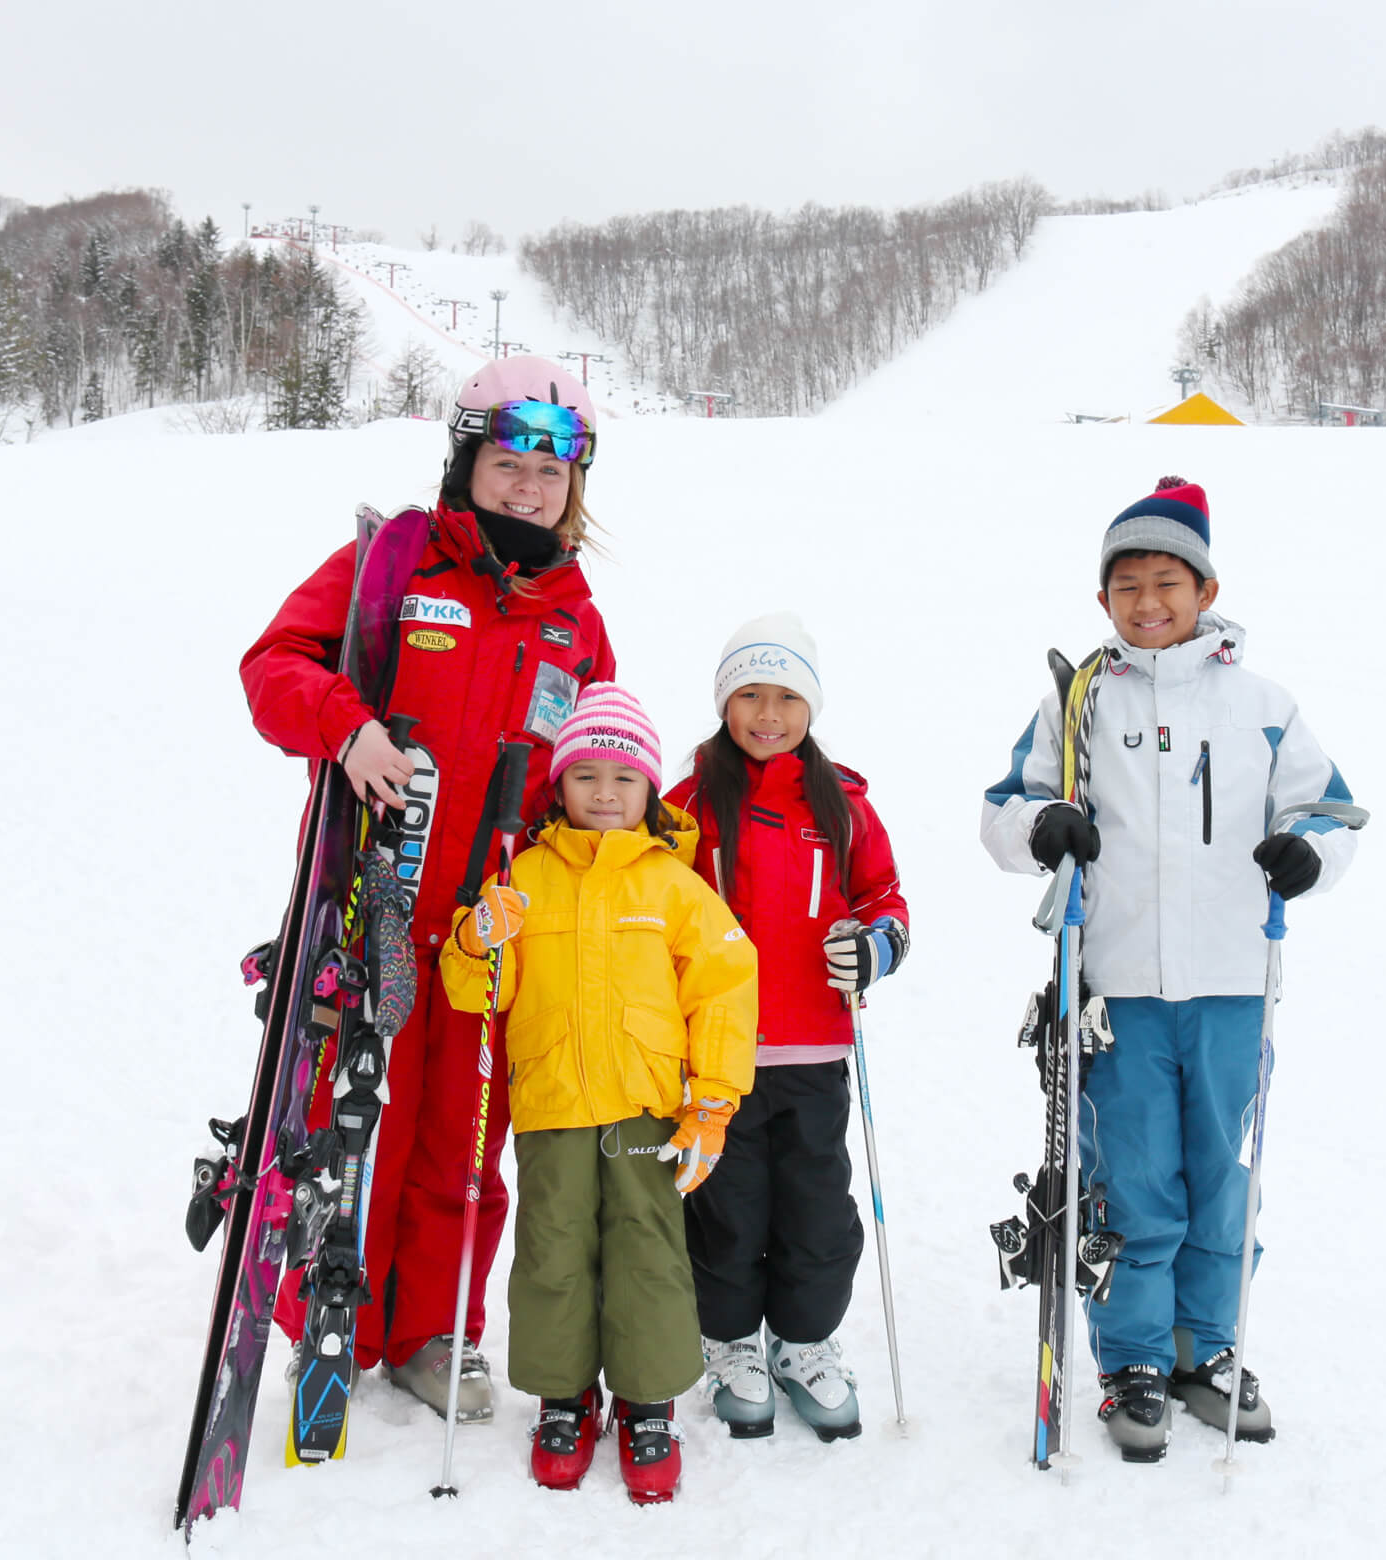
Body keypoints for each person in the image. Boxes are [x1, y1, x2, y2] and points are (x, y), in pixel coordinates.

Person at [239, 357, 615, 1422]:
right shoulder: (396, 566)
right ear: (468, 464)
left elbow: (596, 762)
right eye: (507, 463)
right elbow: (274, 664)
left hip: (493, 926)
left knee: (466, 1135)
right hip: (374, 902)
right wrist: (346, 726)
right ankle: (336, 1316)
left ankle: (435, 1330)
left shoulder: (574, 620)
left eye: (550, 472)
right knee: (362, 1118)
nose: (528, 488)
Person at [980, 476, 1360, 1462]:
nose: (1149, 603)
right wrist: (1041, 826)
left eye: (1168, 583)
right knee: (1135, 1178)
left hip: (1235, 984)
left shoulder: (1262, 706)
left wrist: (1307, 852)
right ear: (1103, 600)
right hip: (1118, 990)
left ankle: (1212, 1348)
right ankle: (1135, 1357)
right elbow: (1004, 812)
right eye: (1128, 585)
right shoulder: (1078, 702)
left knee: (1223, 1176)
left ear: (1206, 589)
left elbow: (1326, 810)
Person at [440, 683, 757, 1503]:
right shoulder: (524, 876)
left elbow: (724, 985)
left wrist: (712, 1098)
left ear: (650, 788)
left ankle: (648, 1402)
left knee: (648, 1252)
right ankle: (565, 1396)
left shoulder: (672, 885)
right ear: (559, 786)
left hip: (646, 1106)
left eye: (624, 778)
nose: (606, 794)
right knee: (553, 1252)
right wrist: (477, 939)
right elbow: (472, 992)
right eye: (586, 777)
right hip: (550, 1105)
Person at [663, 613, 910, 1442]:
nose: (768, 715)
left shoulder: (840, 804)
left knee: (813, 1207)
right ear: (725, 703)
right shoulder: (689, 804)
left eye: (787, 697)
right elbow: (653, 903)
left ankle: (805, 1345)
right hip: (718, 1054)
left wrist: (876, 946)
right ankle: (731, 1344)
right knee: (728, 1207)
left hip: (813, 1048)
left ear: (811, 706)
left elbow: (882, 897)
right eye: (750, 696)